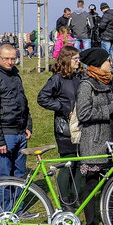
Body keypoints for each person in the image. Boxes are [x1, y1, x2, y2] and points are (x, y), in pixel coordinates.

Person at [76, 48, 113, 225]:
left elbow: (110, 111)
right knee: (91, 187)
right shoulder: (86, 85)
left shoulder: (106, 82)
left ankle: (111, 221)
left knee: (110, 186)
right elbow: (84, 114)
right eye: (108, 61)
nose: (111, 64)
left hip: (110, 142)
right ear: (98, 64)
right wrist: (112, 107)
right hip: (93, 143)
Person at [37, 46, 83, 209]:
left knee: (80, 162)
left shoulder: (79, 76)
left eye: (79, 59)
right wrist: (63, 108)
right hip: (65, 127)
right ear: (66, 59)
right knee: (68, 162)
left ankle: (76, 198)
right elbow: (42, 98)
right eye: (75, 59)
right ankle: (65, 200)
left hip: (80, 126)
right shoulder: (57, 79)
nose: (78, 62)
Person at [0, 43, 33, 181]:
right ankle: (5, 203)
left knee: (20, 175)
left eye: (13, 59)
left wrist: (28, 125)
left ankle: (18, 203)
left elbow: (23, 103)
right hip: (5, 134)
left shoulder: (15, 76)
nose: (10, 62)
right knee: (4, 176)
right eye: (6, 59)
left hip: (20, 133)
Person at [97, 2, 113, 71]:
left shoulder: (106, 15)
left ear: (102, 9)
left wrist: (99, 25)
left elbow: (102, 26)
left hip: (106, 37)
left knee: (105, 53)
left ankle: (104, 68)